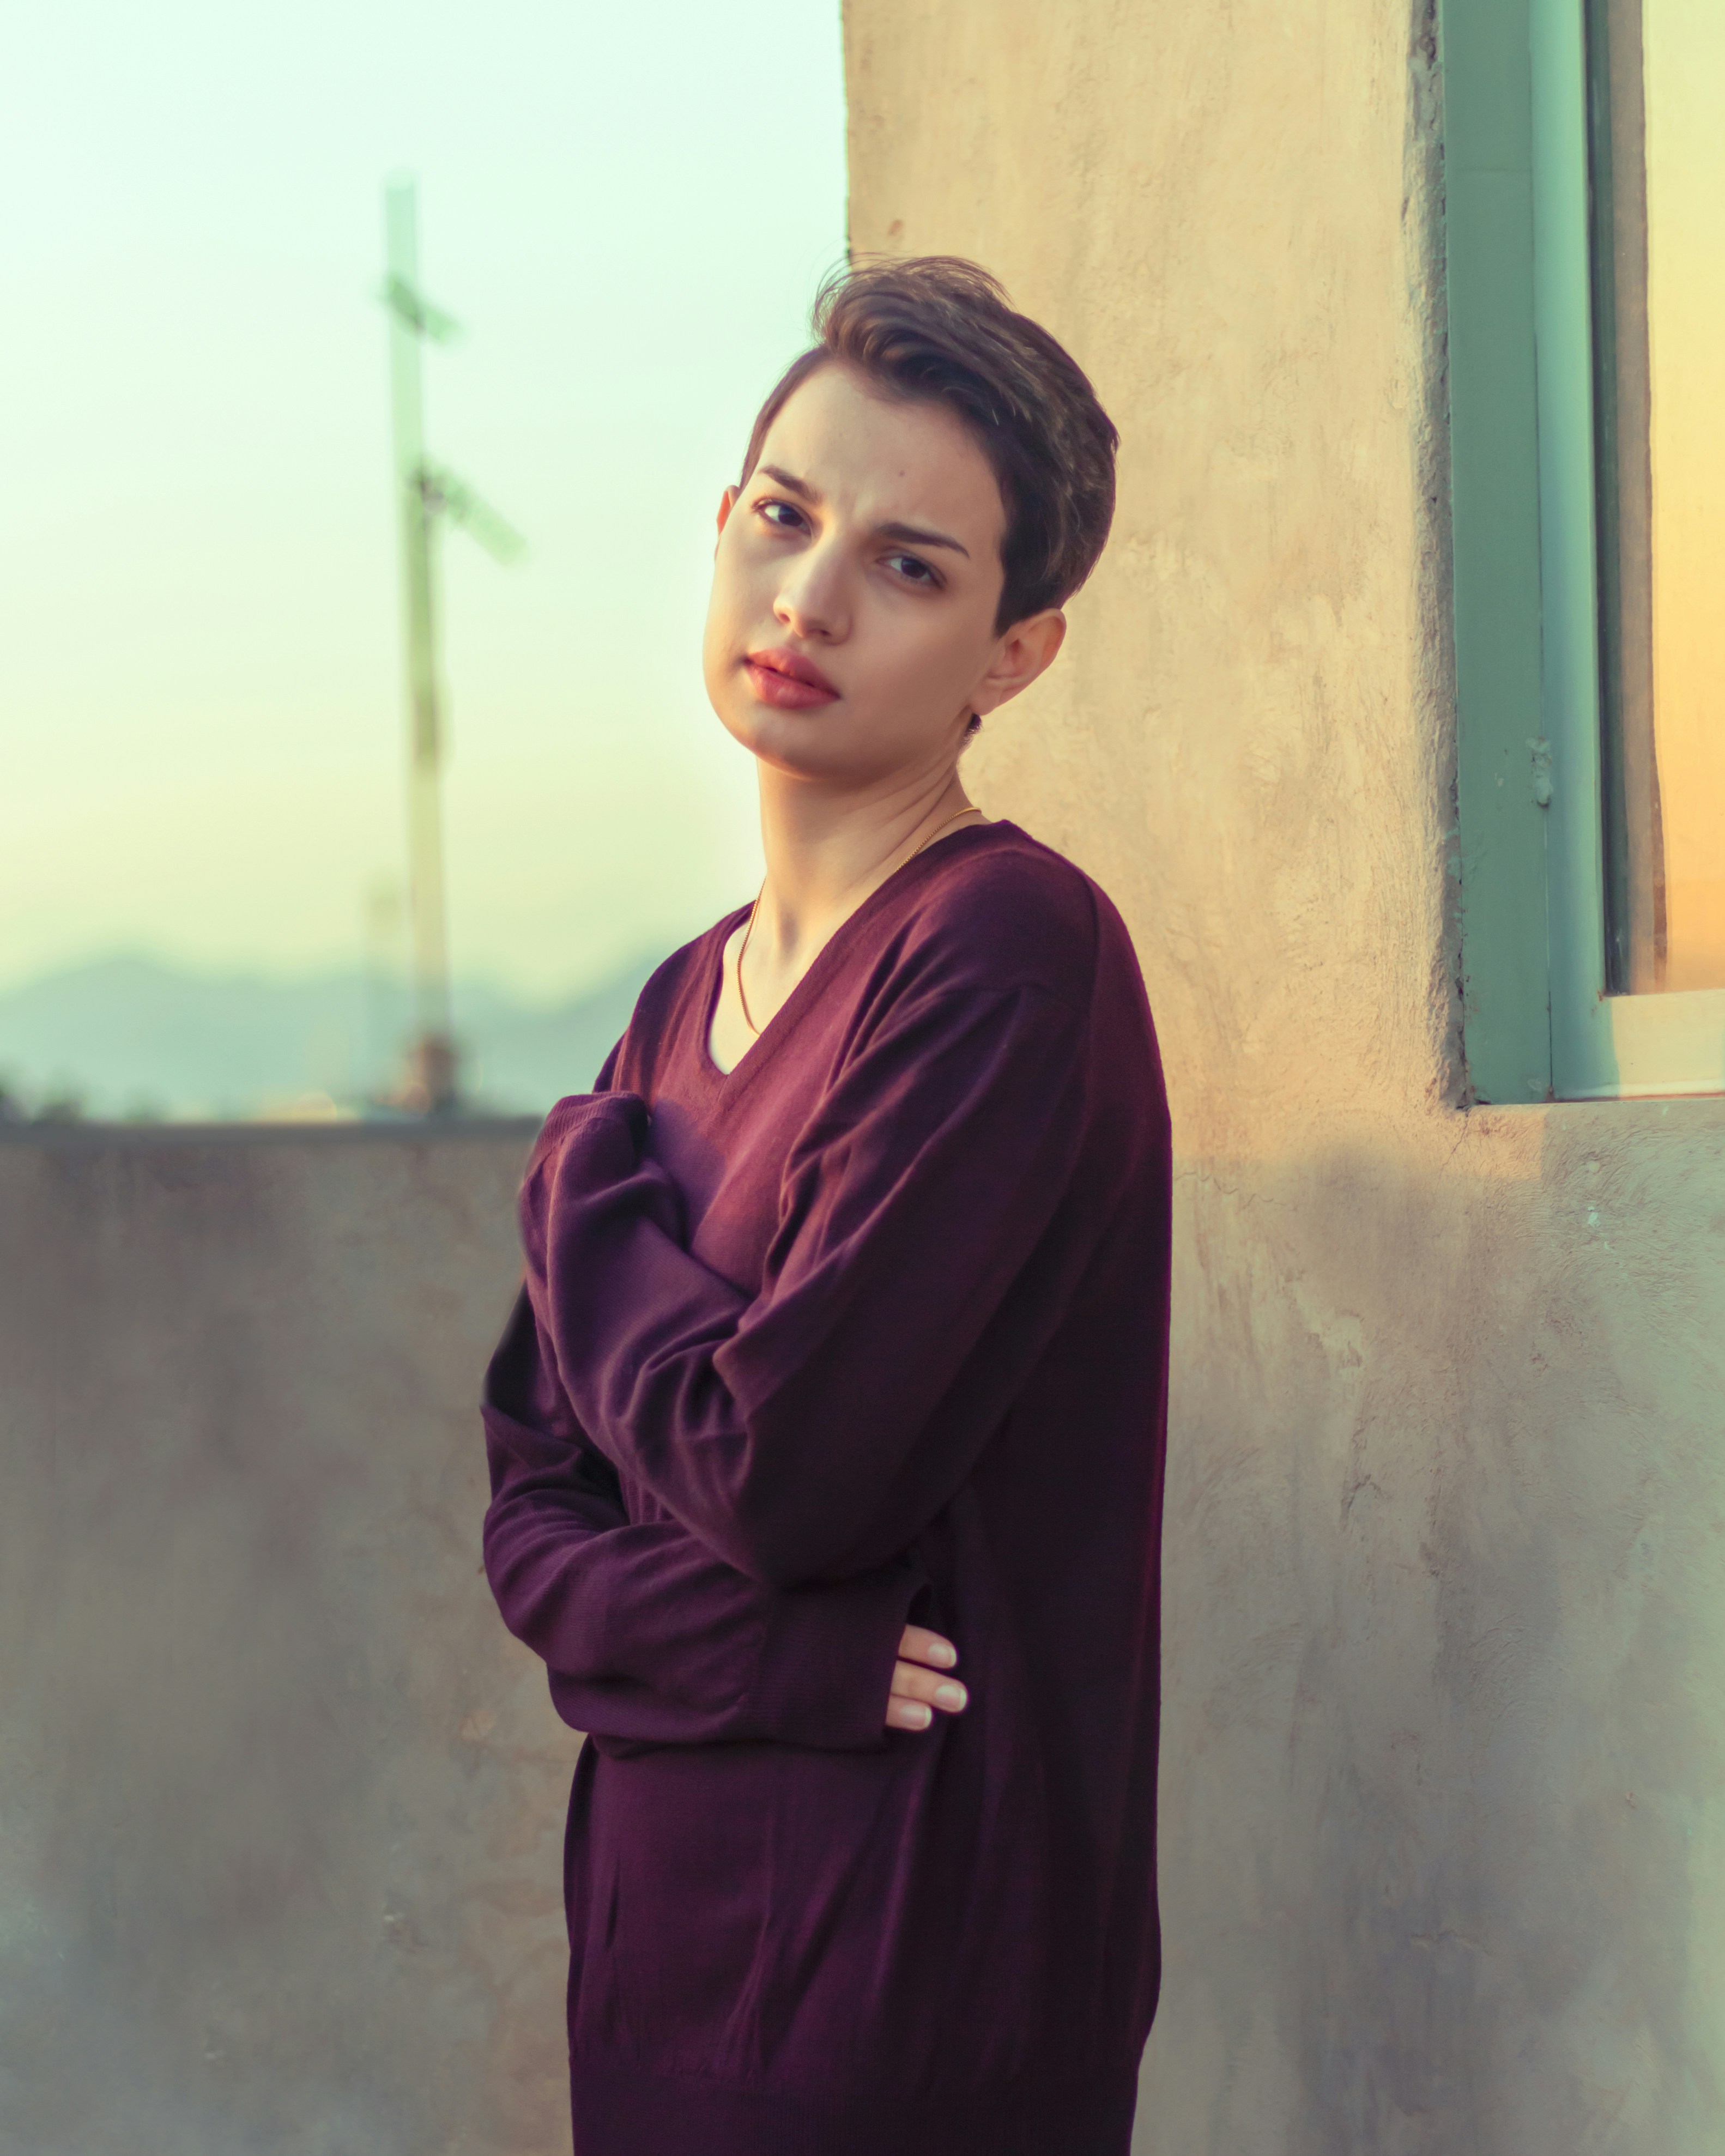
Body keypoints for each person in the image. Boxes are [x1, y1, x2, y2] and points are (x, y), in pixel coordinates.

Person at [480, 256, 1172, 2156]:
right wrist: (774, 1656)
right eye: (785, 520)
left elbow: (782, 1472)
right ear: (724, 523)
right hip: (655, 1956)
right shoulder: (674, 1004)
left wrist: (578, 1196)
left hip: (911, 1988)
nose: (811, 599)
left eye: (910, 566)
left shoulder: (1007, 951)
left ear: (1014, 653)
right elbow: (531, 1522)